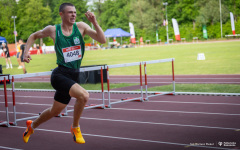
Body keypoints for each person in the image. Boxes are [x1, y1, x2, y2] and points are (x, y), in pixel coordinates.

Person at [22, 3, 106, 144]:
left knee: (54, 111)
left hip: (73, 75)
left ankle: (31, 126)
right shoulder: (53, 30)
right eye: (69, 12)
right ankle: (75, 128)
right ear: (61, 14)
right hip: (60, 75)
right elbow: (33, 36)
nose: (73, 14)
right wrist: (25, 53)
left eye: (74, 12)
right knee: (84, 96)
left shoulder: (81, 27)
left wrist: (95, 23)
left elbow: (102, 40)